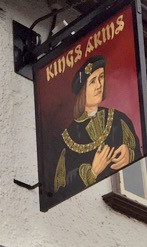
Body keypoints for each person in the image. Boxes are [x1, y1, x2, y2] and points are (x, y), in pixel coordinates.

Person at [52, 55, 138, 203]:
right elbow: (59, 187)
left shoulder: (119, 119)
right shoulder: (66, 138)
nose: (99, 85)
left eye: (101, 77)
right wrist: (92, 171)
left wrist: (129, 153)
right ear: (81, 91)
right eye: (92, 81)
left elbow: (139, 165)